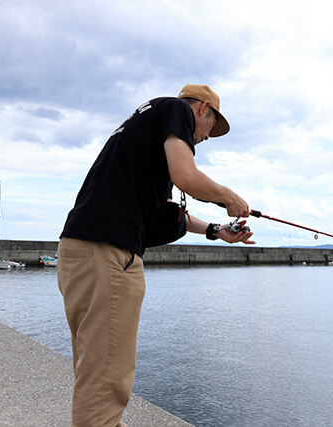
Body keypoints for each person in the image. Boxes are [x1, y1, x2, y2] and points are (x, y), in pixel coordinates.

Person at [57, 84, 254, 427]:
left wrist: (215, 230)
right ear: (201, 109)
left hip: (79, 250)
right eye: (210, 128)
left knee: (94, 368)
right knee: (106, 378)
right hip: (108, 255)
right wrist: (228, 197)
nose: (206, 138)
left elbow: (164, 214)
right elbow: (187, 176)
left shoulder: (141, 137)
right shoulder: (175, 109)